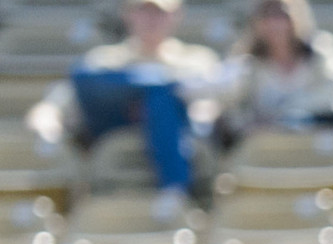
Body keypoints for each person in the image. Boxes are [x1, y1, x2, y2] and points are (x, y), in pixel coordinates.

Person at [25, 0, 223, 199]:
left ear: (177, 15)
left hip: (183, 142)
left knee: (162, 97)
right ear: (127, 14)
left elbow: (213, 109)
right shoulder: (102, 61)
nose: (151, 20)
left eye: (159, 13)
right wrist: (47, 127)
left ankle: (176, 194)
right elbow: (55, 106)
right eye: (143, 12)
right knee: (158, 91)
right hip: (111, 139)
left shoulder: (198, 61)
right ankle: (173, 192)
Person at [210, 0, 333, 137]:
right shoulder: (245, 65)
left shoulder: (322, 52)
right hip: (265, 149)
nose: (274, 23)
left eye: (280, 15)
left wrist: (288, 116)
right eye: (266, 15)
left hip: (316, 142)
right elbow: (232, 111)